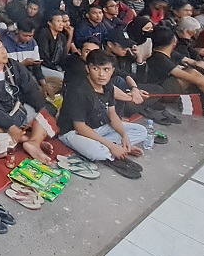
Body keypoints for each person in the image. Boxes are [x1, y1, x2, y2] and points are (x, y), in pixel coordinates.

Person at [57, 50, 147, 178]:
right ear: (87, 69)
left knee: (141, 131)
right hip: (73, 132)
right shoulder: (78, 90)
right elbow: (80, 127)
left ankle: (117, 148)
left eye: (106, 69)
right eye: (95, 68)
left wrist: (124, 136)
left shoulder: (108, 86)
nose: (101, 74)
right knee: (97, 153)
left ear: (112, 70)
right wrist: (111, 145)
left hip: (98, 127)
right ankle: (115, 150)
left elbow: (112, 114)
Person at [0, 31, 57, 164]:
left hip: (18, 109)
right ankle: (27, 138)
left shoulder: (13, 65)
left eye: (3, 48)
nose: (4, 52)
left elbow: (31, 89)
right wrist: (11, 127)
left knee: (49, 111)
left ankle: (33, 142)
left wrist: (43, 108)